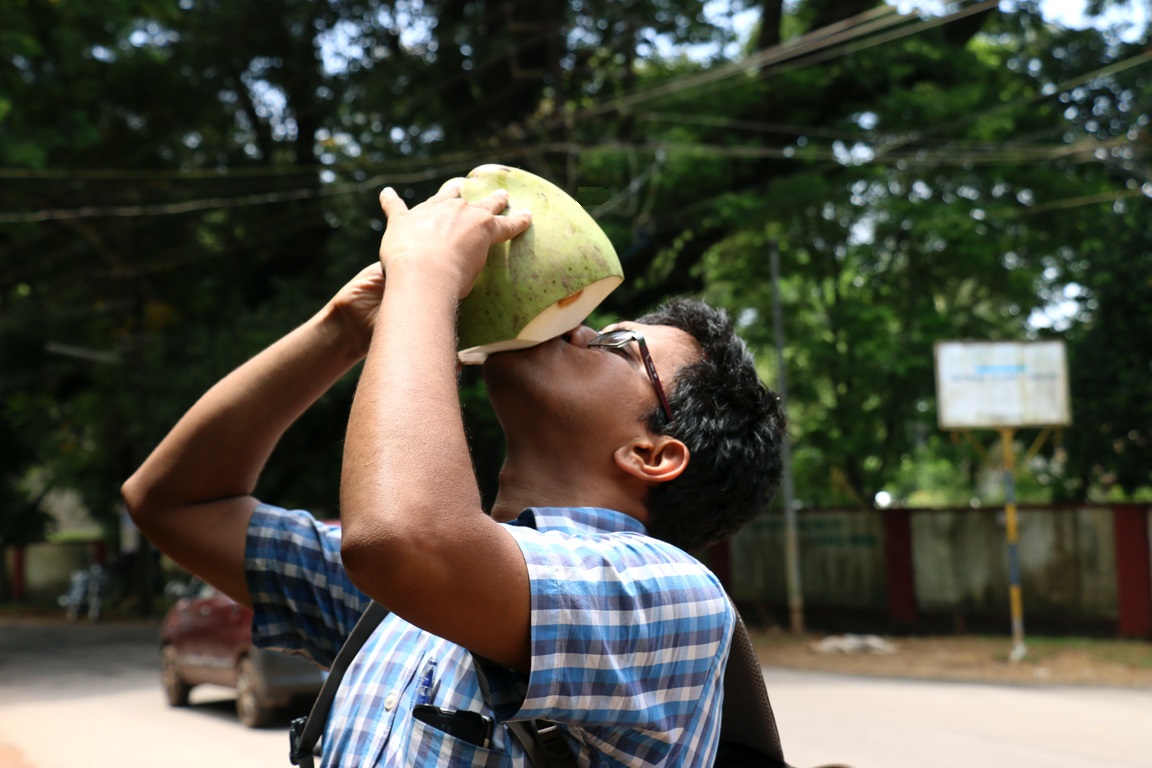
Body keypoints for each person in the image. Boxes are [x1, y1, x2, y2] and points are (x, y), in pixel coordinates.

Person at [122, 181, 786, 767]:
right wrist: (346, 328)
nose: (582, 333)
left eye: (619, 344)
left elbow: (403, 539)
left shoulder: (671, 595)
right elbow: (173, 503)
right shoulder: (399, 607)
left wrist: (427, 281)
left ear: (652, 452)